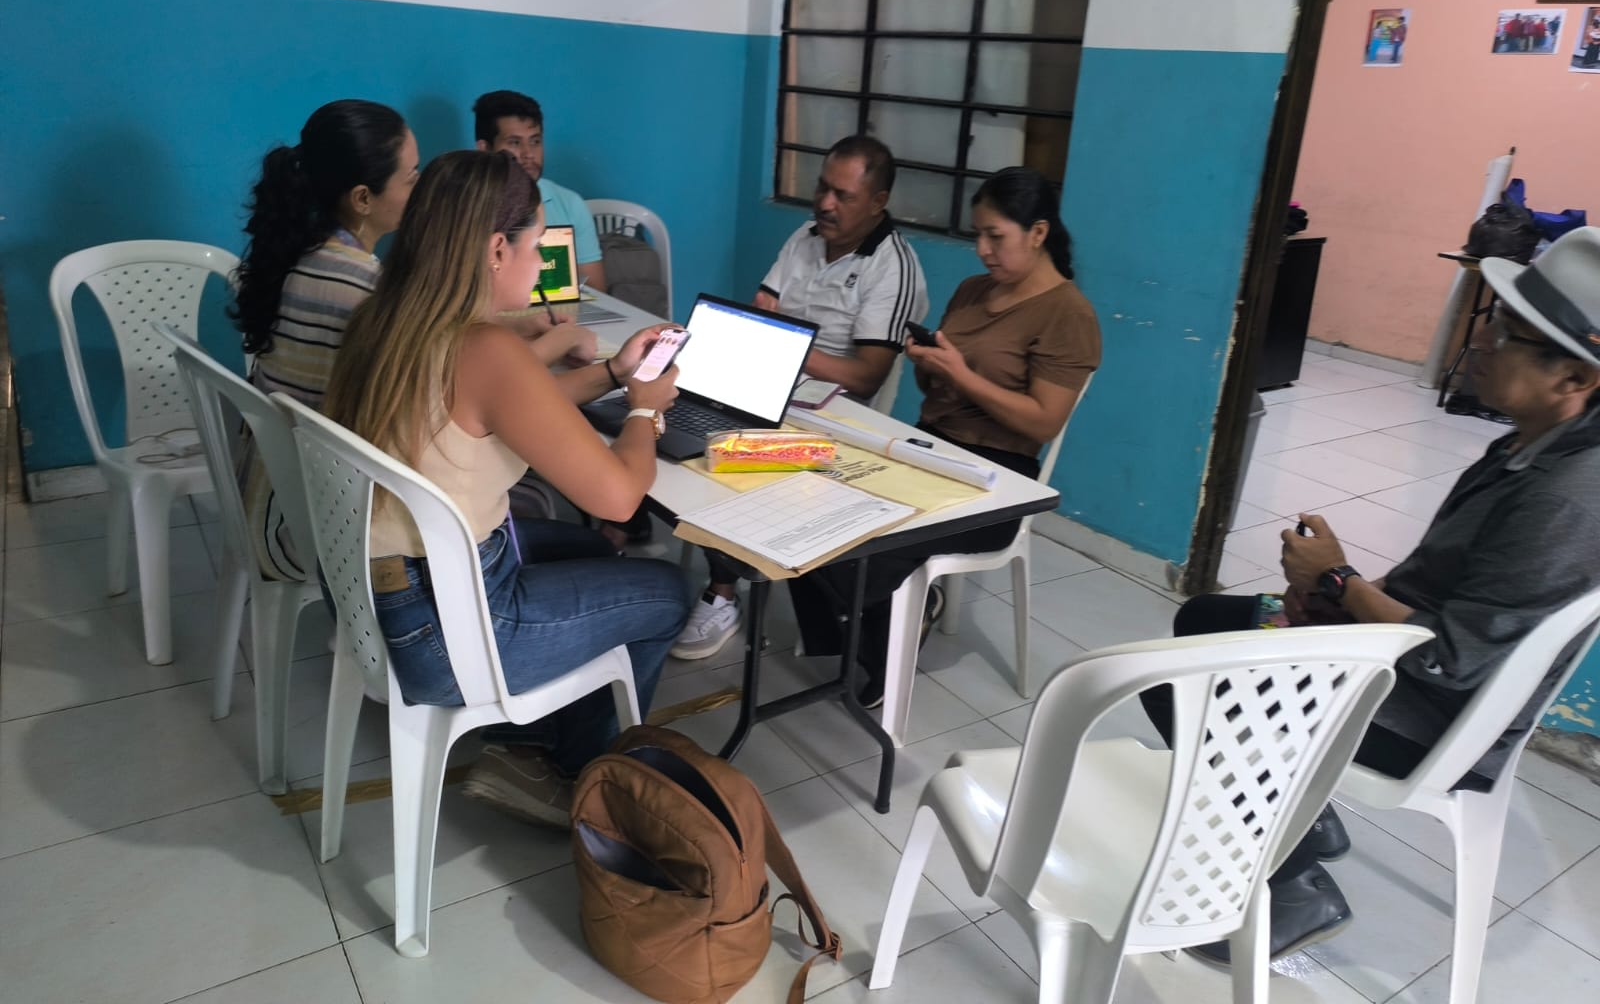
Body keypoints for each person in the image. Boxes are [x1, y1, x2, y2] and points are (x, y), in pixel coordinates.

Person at [1144, 225, 1600, 969]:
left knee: (1179, 681)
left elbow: (1450, 660)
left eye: (1505, 334)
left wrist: (1337, 581)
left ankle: (1294, 889)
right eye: (1493, 321)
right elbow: (1435, 581)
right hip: (1400, 661)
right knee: (1206, 618)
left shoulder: (1567, 500)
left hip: (1432, 714)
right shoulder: (1532, 441)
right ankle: (1300, 811)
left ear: (1573, 378)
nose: (1480, 341)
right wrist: (1339, 599)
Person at [324, 149, 691, 827]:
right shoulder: (486, 348)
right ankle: (571, 778)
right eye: (539, 244)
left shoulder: (388, 319)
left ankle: (538, 738)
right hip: (444, 631)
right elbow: (619, 497)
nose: (544, 261)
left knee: (593, 551)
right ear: (498, 249)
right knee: (666, 591)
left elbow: (519, 408)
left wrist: (615, 373)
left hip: (380, 597)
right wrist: (644, 410)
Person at [785, 166, 1101, 705]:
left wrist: (961, 375)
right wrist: (930, 365)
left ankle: (879, 644)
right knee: (804, 504)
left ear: (1038, 233)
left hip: (999, 477)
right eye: (978, 235)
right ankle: (859, 633)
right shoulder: (974, 291)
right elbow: (940, 388)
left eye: (995, 236)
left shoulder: (1067, 314)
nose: (982, 250)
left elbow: (1043, 422)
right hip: (929, 446)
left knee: (870, 542)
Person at [669, 135, 929, 660]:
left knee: (729, 454)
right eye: (822, 187)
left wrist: (787, 348)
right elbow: (762, 307)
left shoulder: (893, 267)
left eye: (843, 196)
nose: (825, 204)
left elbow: (866, 376)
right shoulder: (804, 238)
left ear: (878, 202)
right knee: (680, 420)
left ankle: (722, 593)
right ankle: (706, 563)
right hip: (774, 385)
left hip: (836, 418)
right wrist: (769, 339)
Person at [231, 99, 419, 578]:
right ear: (362, 198)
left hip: (266, 500)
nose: (419, 189)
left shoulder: (301, 255)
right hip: (303, 530)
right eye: (411, 177)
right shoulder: (363, 288)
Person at [473, 89, 606, 291]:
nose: (528, 153)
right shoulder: (465, 205)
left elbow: (595, 289)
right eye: (514, 142)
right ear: (485, 149)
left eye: (535, 141)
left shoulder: (569, 203)